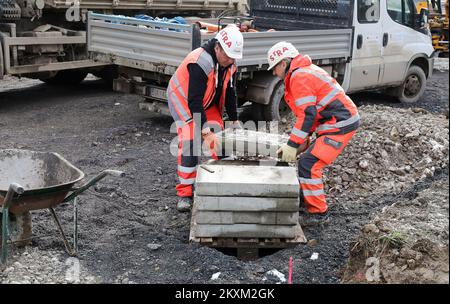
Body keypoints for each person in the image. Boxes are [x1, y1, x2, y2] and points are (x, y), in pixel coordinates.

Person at [268, 42, 360, 225]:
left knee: (309, 163)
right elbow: (311, 114)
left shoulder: (299, 77)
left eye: (274, 68)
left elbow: (308, 114)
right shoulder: (303, 72)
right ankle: (307, 199)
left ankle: (318, 213)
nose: (273, 73)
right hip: (335, 123)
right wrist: (303, 141)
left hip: (339, 124)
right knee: (307, 159)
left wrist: (293, 144)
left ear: (283, 63)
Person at [167, 25, 244, 212]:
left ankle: (226, 182)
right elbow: (194, 101)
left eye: (234, 57)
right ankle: (185, 193)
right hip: (184, 101)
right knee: (190, 143)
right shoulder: (200, 62)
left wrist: (233, 120)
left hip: (207, 103)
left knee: (221, 140)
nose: (230, 60)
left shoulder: (230, 62)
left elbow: (230, 92)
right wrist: (204, 131)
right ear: (217, 47)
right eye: (227, 56)